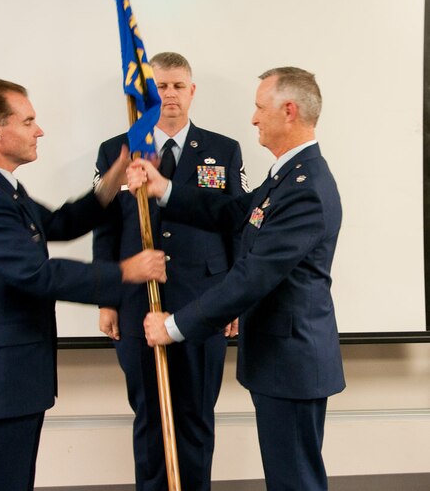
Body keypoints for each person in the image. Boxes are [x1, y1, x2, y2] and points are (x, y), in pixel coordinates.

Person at [0, 79, 166, 491]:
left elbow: (58, 224)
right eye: (28, 121)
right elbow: (38, 275)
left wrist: (112, 180)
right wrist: (125, 272)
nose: (39, 130)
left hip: (12, 378)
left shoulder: (1, 188)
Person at [132, 67, 346, 491]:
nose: (252, 118)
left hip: (292, 362)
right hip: (278, 358)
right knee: (288, 476)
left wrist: (174, 327)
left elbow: (251, 277)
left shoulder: (305, 186)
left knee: (295, 480)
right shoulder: (286, 175)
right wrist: (166, 190)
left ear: (288, 111)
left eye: (259, 108)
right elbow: (234, 213)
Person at [93, 52, 249, 491]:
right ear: (145, 93)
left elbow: (236, 226)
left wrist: (233, 299)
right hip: (136, 303)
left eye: (178, 85)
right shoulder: (117, 151)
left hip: (205, 300)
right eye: (159, 86)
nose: (169, 94)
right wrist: (106, 297)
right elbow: (104, 229)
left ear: (192, 91)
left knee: (196, 413)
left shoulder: (222, 149)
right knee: (148, 413)